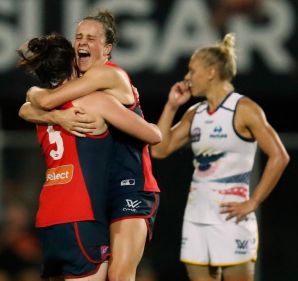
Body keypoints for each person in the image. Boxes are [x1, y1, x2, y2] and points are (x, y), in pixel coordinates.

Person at [19, 10, 161, 281]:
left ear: (107, 49)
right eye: (79, 37)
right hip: (98, 191)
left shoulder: (106, 76)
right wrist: (57, 116)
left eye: (92, 38)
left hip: (132, 184)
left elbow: (40, 100)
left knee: (119, 275)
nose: (82, 42)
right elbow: (30, 106)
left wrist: (44, 103)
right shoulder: (85, 90)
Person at [151, 33, 289, 281]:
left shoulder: (244, 109)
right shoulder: (195, 113)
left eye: (192, 71)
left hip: (231, 218)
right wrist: (171, 106)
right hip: (196, 218)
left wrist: (253, 202)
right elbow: (159, 150)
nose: (187, 77)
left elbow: (280, 156)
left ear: (211, 72)